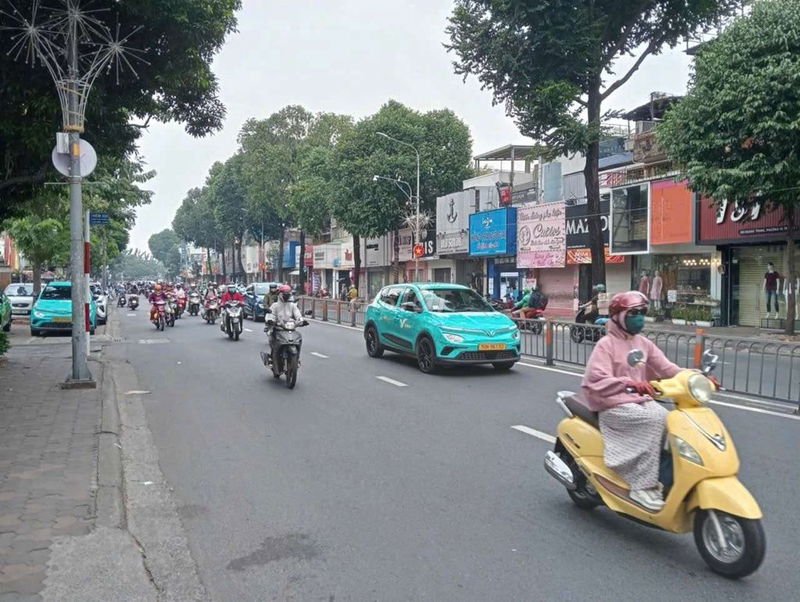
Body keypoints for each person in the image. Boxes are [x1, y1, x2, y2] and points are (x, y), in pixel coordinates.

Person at [580, 291, 681, 512]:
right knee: (655, 420)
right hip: (612, 404)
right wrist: (629, 383)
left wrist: (696, 377)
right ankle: (641, 486)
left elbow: (667, 368)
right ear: (618, 316)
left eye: (642, 312)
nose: (639, 317)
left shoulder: (643, 343)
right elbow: (595, 378)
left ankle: (662, 475)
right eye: (633, 313)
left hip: (637, 400)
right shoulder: (606, 344)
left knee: (673, 420)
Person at [265, 284, 305, 365]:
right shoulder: (275, 305)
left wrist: (301, 320)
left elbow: (298, 315)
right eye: (284, 294)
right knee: (274, 344)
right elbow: (271, 315)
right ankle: (273, 359)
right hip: (278, 329)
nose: (286, 296)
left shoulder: (292, 305)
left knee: (299, 339)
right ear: (280, 294)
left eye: (288, 294)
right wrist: (271, 320)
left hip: (290, 328)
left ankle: (297, 359)